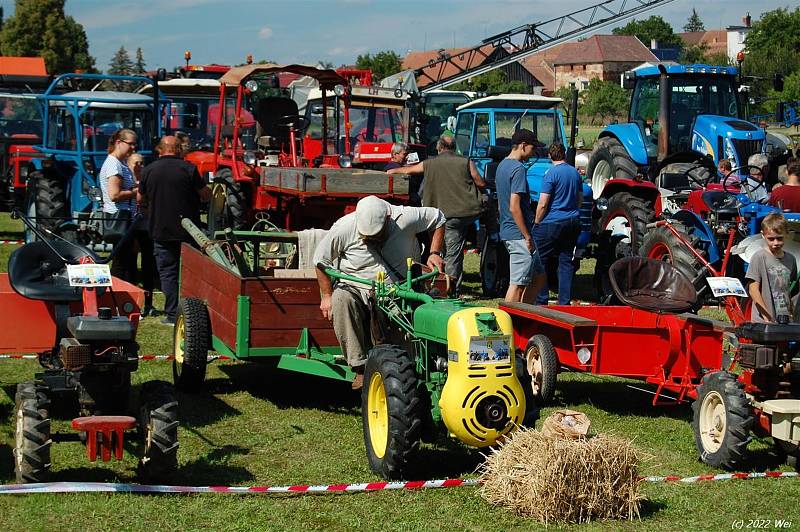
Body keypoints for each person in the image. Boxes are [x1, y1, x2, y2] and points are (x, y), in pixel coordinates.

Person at [313, 196, 446, 389]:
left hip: (398, 289)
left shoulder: (405, 216)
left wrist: (434, 253)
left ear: (388, 218)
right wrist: (326, 296)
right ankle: (360, 368)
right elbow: (320, 260)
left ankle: (411, 364)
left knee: (408, 314)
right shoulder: (343, 227)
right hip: (356, 287)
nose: (373, 240)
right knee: (340, 298)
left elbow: (439, 218)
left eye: (377, 234)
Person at [387, 135, 485, 293]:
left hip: (437, 215)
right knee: (453, 254)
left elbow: (409, 170)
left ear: (439, 148)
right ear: (454, 148)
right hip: (458, 215)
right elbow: (480, 182)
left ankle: (441, 285)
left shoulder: (429, 163)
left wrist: (392, 171)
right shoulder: (466, 161)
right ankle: (450, 290)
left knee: (441, 250)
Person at [138, 136, 211, 325]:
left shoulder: (148, 170)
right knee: (191, 271)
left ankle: (172, 314)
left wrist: (150, 211)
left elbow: (140, 199)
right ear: (178, 149)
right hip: (188, 230)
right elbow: (205, 195)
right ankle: (193, 313)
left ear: (160, 150)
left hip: (160, 229)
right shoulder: (189, 169)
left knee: (167, 272)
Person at [495, 129, 546, 303]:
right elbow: (514, 206)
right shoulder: (518, 169)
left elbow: (502, 207)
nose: (534, 153)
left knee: (539, 276)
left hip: (509, 229)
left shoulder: (502, 165)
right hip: (518, 234)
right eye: (533, 148)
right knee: (517, 284)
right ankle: (509, 321)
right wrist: (527, 236)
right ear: (523, 146)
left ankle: (526, 311)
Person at [532, 142, 583, 305]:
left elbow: (543, 202)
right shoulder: (575, 173)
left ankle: (541, 299)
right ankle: (564, 301)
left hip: (553, 221)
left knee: (541, 260)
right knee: (566, 261)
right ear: (565, 154)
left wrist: (537, 221)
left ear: (549, 155)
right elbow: (580, 199)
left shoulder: (550, 174)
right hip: (573, 220)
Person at [99, 129, 139, 281]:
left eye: (135, 144)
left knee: (125, 261)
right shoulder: (114, 165)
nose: (133, 148)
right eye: (130, 144)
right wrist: (136, 191)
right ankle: (118, 293)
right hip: (120, 218)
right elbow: (114, 195)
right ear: (118, 142)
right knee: (122, 262)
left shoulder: (119, 163)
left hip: (125, 218)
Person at [746, 213, 797, 323]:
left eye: (779, 238)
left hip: (784, 319)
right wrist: (766, 316)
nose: (776, 243)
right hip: (764, 320)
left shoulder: (791, 259)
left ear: (787, 234)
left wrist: (791, 313)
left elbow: (789, 291)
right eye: (771, 239)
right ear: (763, 235)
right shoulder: (759, 257)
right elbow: (753, 290)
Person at [128, 153, 157, 317]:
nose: (139, 166)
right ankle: (131, 302)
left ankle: (148, 303)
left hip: (146, 228)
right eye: (135, 163)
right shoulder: (128, 183)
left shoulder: (147, 182)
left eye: (141, 163)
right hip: (132, 227)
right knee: (131, 266)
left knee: (148, 266)